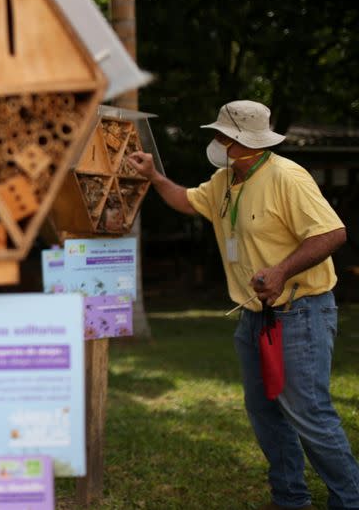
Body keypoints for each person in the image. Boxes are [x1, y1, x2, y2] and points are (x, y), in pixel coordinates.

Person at [127, 100, 359, 510]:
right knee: (265, 413)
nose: (214, 140)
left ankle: (349, 499)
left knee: (310, 415)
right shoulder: (225, 179)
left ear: (239, 140)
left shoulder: (288, 177)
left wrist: (281, 271)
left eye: (220, 134)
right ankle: (290, 498)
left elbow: (332, 234)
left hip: (299, 313)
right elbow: (186, 201)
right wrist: (153, 176)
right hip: (254, 318)